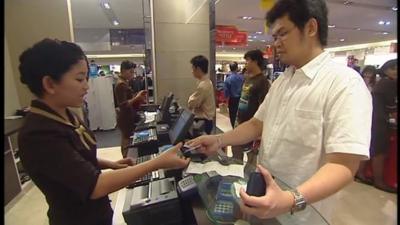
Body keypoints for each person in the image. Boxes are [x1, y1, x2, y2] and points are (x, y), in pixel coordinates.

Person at [188, 0, 372, 221]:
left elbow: (343, 165)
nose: (276, 43)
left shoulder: (344, 83)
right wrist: (219, 140)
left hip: (304, 214)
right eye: (274, 37)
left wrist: (291, 199)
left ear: (311, 28)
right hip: (263, 200)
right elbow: (257, 125)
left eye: (282, 34)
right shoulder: (283, 81)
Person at [17, 38, 189, 225]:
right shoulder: (39, 135)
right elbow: (95, 186)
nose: (86, 86)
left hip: (96, 213)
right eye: (79, 79)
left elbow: (74, 157)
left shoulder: (65, 115)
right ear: (50, 84)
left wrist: (111, 164)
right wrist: (156, 163)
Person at [231, 50, 270, 174]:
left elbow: (264, 106)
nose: (246, 64)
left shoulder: (262, 81)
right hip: (240, 123)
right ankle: (235, 179)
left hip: (252, 127)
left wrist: (259, 132)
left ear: (255, 61)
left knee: (251, 161)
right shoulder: (247, 78)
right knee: (235, 155)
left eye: (248, 61)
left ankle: (248, 184)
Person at [369, 59, 397, 193]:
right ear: (386, 70)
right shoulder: (388, 83)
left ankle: (362, 174)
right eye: (393, 69)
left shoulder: (381, 82)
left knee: (372, 148)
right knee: (379, 151)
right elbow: (391, 106)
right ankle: (378, 181)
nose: (396, 72)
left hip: (373, 118)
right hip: (380, 120)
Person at [115, 60, 147, 158]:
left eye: (133, 72)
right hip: (125, 118)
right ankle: (125, 163)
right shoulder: (121, 84)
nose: (132, 75)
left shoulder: (124, 82)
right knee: (126, 144)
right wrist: (137, 97)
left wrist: (137, 97)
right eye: (131, 72)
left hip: (127, 117)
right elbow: (123, 105)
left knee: (127, 141)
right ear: (123, 70)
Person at [187, 55, 216, 134]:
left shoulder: (203, 85)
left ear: (198, 69)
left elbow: (192, 104)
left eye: (193, 69)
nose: (192, 71)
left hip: (203, 121)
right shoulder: (206, 82)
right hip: (206, 120)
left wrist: (190, 98)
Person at [224, 61, 244, 128]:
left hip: (232, 100)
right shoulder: (242, 78)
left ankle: (234, 129)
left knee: (233, 117)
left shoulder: (228, 79)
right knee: (241, 116)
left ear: (230, 68)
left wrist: (226, 102)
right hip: (242, 99)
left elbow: (226, 93)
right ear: (237, 68)